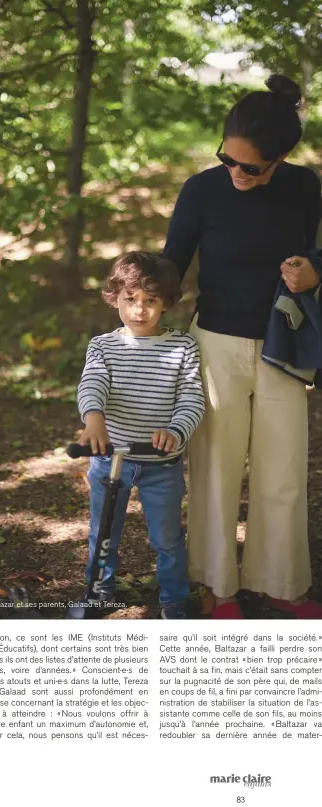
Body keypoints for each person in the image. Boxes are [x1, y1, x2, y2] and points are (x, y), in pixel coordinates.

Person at [164, 74, 322, 619]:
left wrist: (312, 274)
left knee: (283, 469)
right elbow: (172, 265)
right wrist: (138, 305)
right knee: (215, 466)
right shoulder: (201, 190)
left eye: (251, 167)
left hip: (284, 340)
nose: (236, 173)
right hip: (216, 346)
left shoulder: (306, 186)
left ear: (280, 158)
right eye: (226, 159)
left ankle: (279, 582)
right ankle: (218, 586)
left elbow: (312, 253)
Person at [77, 251, 205, 619]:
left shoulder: (182, 347)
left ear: (165, 304)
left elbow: (192, 397)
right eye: (130, 299)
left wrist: (177, 430)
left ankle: (175, 599)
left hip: (160, 464)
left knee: (167, 538)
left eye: (150, 301)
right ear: (114, 298)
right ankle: (100, 592)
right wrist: (94, 418)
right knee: (103, 534)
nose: (139, 309)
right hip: (110, 459)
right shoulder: (104, 346)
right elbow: (93, 384)